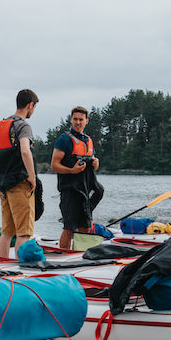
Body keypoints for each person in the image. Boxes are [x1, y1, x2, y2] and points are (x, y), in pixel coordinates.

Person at [0, 89, 39, 258]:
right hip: (20, 184)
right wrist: (32, 176)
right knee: (23, 233)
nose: (33, 110)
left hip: (4, 185)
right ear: (30, 105)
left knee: (7, 231)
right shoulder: (23, 125)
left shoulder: (2, 125)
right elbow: (24, 151)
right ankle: (19, 269)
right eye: (34, 107)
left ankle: (2, 266)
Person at [51, 106, 104, 249]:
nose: (78, 122)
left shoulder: (88, 141)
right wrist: (71, 170)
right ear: (71, 120)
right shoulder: (64, 140)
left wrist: (96, 164)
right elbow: (54, 165)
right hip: (69, 191)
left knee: (85, 228)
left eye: (81, 119)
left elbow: (93, 167)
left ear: (86, 121)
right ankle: (63, 256)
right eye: (75, 119)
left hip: (85, 192)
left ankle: (79, 255)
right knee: (69, 229)